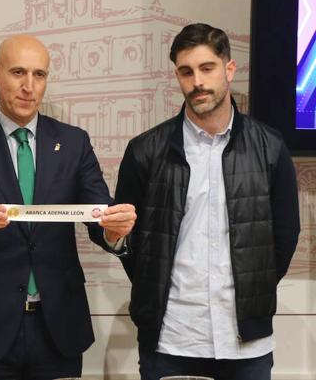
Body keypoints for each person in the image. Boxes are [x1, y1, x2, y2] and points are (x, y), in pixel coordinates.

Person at [0, 34, 136, 379]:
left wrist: (115, 232)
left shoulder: (73, 142)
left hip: (57, 331)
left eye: (39, 75)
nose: (28, 86)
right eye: (18, 72)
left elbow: (102, 219)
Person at [114, 23, 300, 380]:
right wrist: (153, 287)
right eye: (186, 72)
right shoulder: (145, 151)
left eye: (207, 68)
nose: (196, 81)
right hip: (170, 341)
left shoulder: (271, 148)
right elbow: (129, 239)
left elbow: (285, 237)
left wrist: (252, 290)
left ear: (229, 69)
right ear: (177, 77)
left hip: (246, 344)